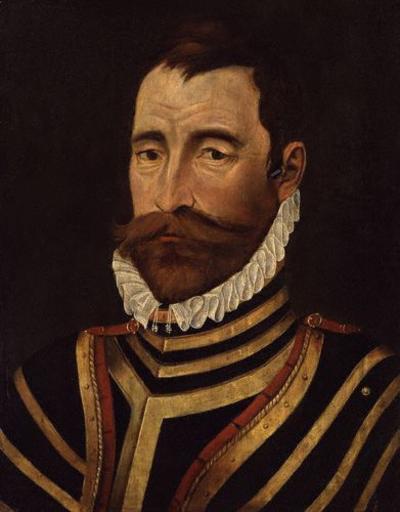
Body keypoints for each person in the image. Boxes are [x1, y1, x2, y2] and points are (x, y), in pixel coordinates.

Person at [1, 20, 398, 512]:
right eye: (150, 153)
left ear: (287, 171)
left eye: (213, 153)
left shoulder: (367, 396)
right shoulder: (51, 386)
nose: (169, 197)